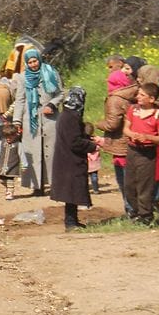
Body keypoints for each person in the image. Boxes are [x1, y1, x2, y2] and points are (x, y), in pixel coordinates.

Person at [12, 48, 64, 195]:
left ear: (39, 60)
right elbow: (20, 100)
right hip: (31, 120)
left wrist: (51, 104)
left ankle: (55, 185)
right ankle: (36, 187)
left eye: (35, 61)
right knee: (33, 153)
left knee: (52, 152)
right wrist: (17, 120)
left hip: (50, 119)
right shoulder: (23, 78)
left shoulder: (51, 73)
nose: (33, 64)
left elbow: (61, 93)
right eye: (30, 62)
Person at [50, 87, 99, 230]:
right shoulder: (71, 117)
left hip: (66, 159)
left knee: (71, 193)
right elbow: (74, 141)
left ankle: (73, 220)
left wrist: (87, 139)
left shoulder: (67, 115)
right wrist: (91, 146)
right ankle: (70, 223)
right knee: (72, 192)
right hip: (70, 160)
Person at [97, 62, 138, 214]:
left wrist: (99, 124)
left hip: (120, 144)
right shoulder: (132, 94)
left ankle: (130, 209)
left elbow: (112, 124)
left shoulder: (115, 99)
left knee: (125, 181)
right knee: (133, 179)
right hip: (130, 143)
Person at [123, 83, 159, 223]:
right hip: (132, 150)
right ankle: (134, 211)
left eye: (142, 95)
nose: (138, 97)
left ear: (152, 99)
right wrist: (133, 135)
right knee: (129, 184)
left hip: (148, 153)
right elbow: (126, 129)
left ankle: (145, 215)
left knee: (145, 185)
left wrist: (148, 137)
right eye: (138, 94)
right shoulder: (133, 109)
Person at [0, 124, 23, 200]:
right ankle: (8, 188)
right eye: (7, 137)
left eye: (11, 137)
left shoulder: (18, 144)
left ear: (15, 135)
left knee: (10, 179)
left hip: (12, 166)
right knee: (1, 180)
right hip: (2, 165)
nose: (8, 139)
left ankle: (10, 192)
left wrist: (24, 165)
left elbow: (22, 154)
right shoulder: (2, 143)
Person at [85, 122, 102, 194]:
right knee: (94, 177)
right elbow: (103, 142)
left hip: (86, 163)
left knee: (84, 178)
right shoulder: (95, 140)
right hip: (95, 163)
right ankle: (96, 189)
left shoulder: (83, 141)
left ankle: (84, 190)